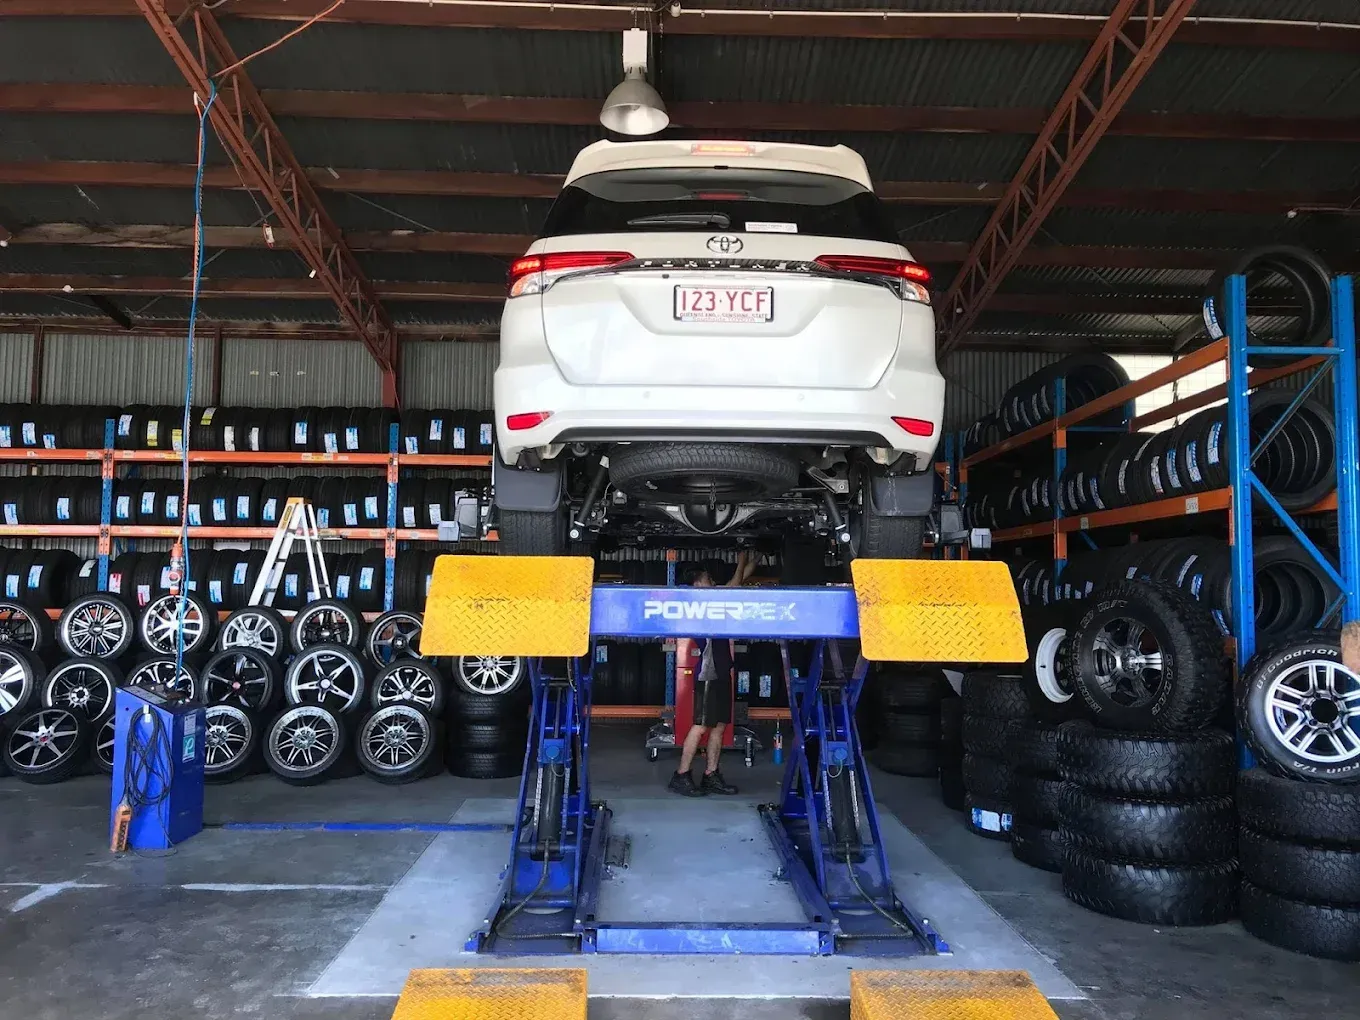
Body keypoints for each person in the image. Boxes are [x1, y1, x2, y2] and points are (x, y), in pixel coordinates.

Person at [667, 550, 757, 797]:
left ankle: (711, 775)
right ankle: (681, 775)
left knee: (717, 727)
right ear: (697, 584)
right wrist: (741, 559)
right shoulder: (699, 603)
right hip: (708, 673)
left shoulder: (713, 599)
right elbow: (734, 586)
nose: (713, 582)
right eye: (708, 579)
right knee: (701, 726)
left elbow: (735, 585)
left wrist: (753, 560)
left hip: (721, 672)